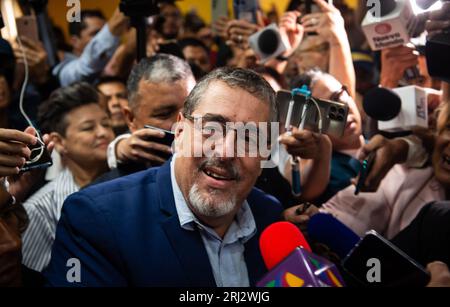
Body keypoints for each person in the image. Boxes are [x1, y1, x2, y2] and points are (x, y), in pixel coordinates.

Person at [44, 67, 283, 287]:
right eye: (211, 129)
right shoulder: (96, 220)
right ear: (179, 132)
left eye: (250, 138)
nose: (225, 152)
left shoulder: (271, 219)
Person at [21, 82, 115, 272]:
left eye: (106, 124)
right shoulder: (40, 209)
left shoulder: (130, 184)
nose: (103, 132)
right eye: (88, 128)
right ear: (59, 141)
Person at [95, 54, 195, 184]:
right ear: (131, 119)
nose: (183, 124)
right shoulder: (108, 193)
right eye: (164, 114)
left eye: (191, 110)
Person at [53, 8, 129, 86]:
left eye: (103, 32)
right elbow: (88, 64)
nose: (100, 38)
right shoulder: (66, 70)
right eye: (96, 34)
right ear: (75, 42)